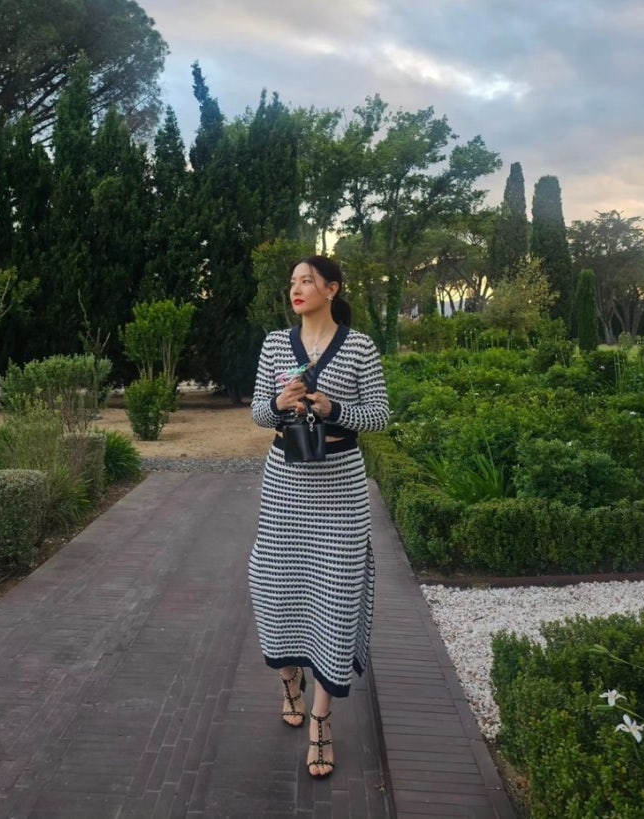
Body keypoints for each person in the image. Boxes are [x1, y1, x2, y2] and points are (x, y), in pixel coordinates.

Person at [248, 255, 390, 778]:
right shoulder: (273, 344)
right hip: (285, 482)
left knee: (336, 592)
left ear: (332, 288)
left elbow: (379, 415)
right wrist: (279, 402)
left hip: (340, 483)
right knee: (273, 583)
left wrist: (334, 410)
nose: (297, 288)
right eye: (293, 282)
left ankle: (321, 720)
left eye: (307, 280)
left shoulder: (359, 346)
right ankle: (290, 678)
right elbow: (258, 413)